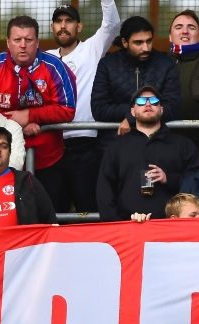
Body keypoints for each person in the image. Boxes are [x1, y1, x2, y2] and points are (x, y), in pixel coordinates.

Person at [0, 15, 78, 212]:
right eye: (17, 40)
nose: (23, 45)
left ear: (37, 42)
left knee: (52, 215)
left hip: (49, 160)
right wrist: (17, 124)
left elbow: (68, 109)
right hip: (5, 161)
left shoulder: (55, 67)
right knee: (11, 216)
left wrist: (31, 115)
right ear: (8, 42)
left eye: (28, 40)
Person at [50, 0, 120, 213]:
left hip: (85, 143)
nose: (63, 26)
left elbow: (112, 24)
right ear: (52, 27)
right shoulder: (45, 58)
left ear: (79, 26)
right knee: (54, 212)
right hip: (51, 144)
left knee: (88, 209)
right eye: (58, 21)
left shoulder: (91, 48)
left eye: (69, 21)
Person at [97, 85, 199, 221]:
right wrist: (116, 225)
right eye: (141, 101)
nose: (148, 104)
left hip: (172, 226)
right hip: (128, 226)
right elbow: (104, 191)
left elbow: (197, 183)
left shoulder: (183, 144)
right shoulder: (116, 147)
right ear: (132, 111)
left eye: (154, 101)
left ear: (161, 109)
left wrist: (169, 179)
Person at [93, 16, 182, 131]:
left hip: (157, 136)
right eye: (138, 42)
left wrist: (132, 117)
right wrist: (136, 112)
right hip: (116, 137)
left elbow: (173, 107)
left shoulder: (165, 64)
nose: (146, 48)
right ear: (124, 42)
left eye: (149, 41)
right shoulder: (107, 64)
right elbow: (99, 109)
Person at [170, 10, 199, 130]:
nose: (185, 31)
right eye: (178, 27)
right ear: (170, 36)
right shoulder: (161, 63)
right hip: (168, 133)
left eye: (191, 27)